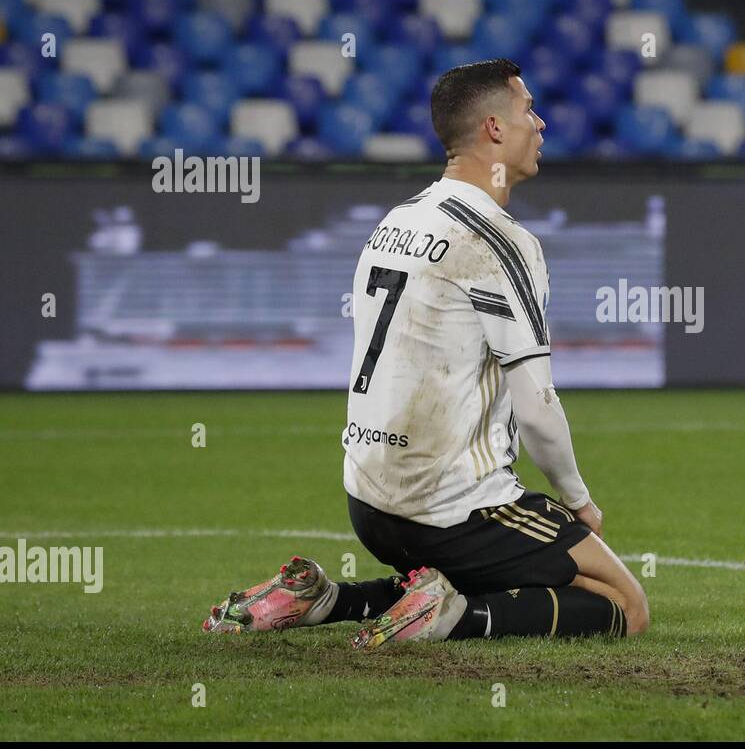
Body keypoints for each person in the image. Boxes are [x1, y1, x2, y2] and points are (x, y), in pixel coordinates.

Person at [203, 59, 649, 647]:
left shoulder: (396, 221)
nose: (540, 125)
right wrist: (578, 502)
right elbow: (538, 408)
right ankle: (449, 619)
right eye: (528, 111)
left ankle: (323, 599)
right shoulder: (501, 241)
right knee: (624, 604)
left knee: (462, 575)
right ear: (493, 129)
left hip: (368, 503)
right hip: (452, 508)